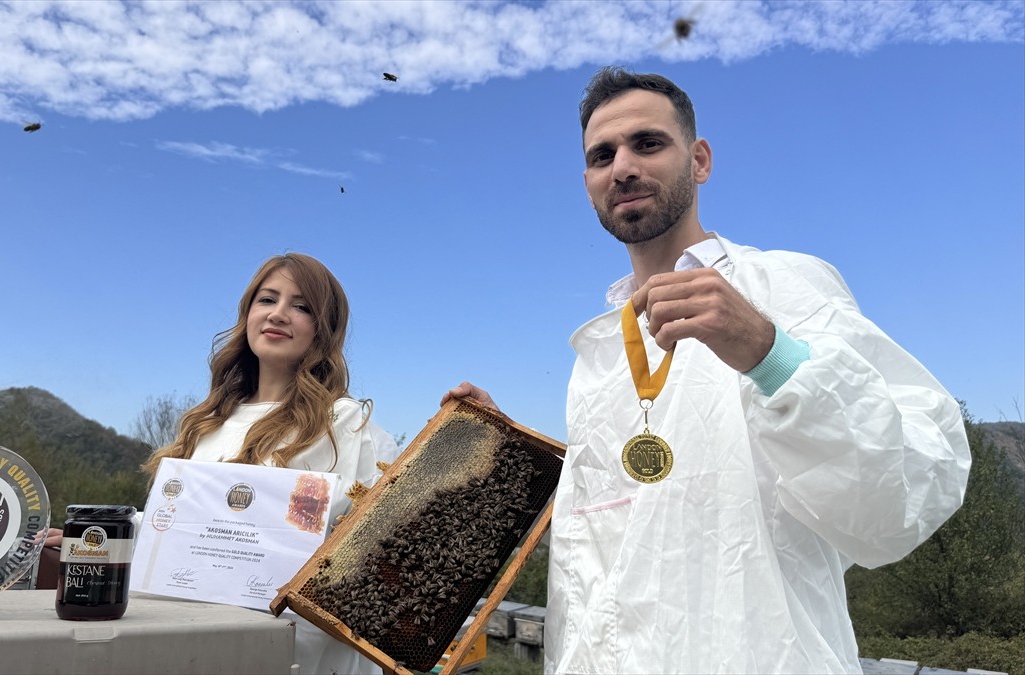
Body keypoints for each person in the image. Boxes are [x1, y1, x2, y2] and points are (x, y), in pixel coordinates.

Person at [445, 68, 970, 674]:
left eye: (648, 143)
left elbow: (904, 501)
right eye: (601, 155)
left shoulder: (784, 287)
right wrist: (504, 452)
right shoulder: (601, 350)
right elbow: (613, 538)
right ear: (588, 183)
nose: (622, 167)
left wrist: (769, 352)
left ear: (699, 160)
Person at [144, 252, 400, 675]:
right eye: (267, 299)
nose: (279, 314)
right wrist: (100, 534)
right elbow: (171, 533)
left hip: (307, 656)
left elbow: (395, 548)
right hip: (201, 648)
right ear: (247, 315)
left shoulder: (351, 425)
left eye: (301, 307)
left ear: (325, 330)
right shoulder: (205, 424)